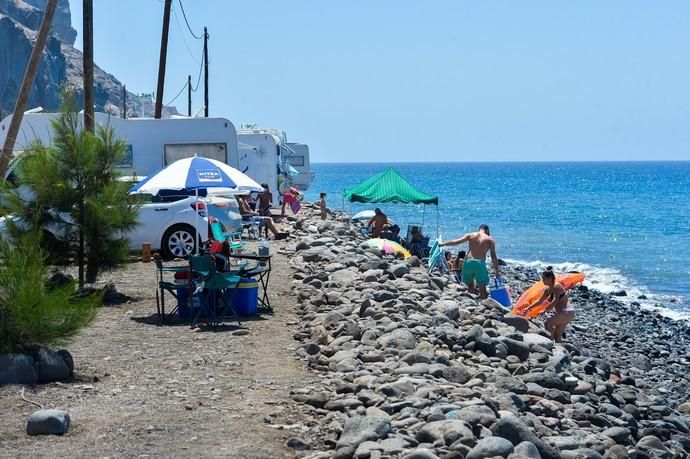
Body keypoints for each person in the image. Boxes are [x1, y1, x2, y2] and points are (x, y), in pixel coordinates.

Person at [440, 224, 499, 299]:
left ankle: (471, 300)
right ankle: (484, 302)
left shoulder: (471, 235)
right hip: (479, 263)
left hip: (468, 261)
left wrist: (442, 244)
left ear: (479, 229)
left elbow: (456, 241)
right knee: (481, 284)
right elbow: (493, 256)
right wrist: (497, 272)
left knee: (470, 283)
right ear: (487, 230)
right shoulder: (490, 239)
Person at [523, 266, 574, 342]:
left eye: (544, 278)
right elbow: (539, 301)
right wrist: (528, 308)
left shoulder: (557, 286)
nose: (542, 281)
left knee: (547, 324)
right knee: (557, 337)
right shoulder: (547, 290)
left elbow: (555, 301)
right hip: (565, 313)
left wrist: (545, 310)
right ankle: (558, 349)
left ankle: (549, 343)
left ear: (550, 278)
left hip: (567, 311)